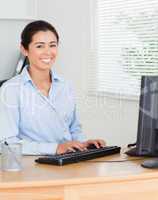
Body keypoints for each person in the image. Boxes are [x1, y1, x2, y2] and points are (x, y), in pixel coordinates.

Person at [0, 20, 105, 155]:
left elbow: (73, 128)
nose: (48, 52)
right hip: (31, 167)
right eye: (39, 46)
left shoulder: (65, 86)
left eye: (52, 45)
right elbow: (7, 142)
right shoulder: (11, 90)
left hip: (68, 162)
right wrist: (55, 148)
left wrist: (83, 144)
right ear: (24, 49)